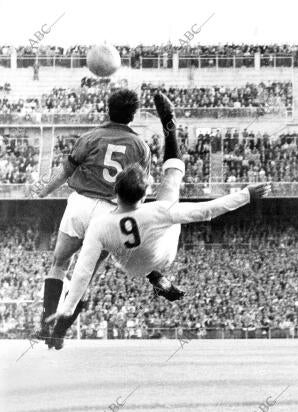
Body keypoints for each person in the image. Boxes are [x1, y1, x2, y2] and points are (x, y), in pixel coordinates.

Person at [47, 93, 271, 347]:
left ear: (116, 193)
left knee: (97, 262)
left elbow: (81, 275)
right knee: (172, 181)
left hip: (131, 266)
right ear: (144, 194)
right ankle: (170, 129)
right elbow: (209, 210)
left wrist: (62, 320)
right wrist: (246, 194)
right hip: (163, 254)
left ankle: (153, 278)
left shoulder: (100, 226)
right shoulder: (158, 211)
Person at [35, 89, 151, 347]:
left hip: (81, 204)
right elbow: (139, 192)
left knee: (59, 263)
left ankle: (45, 322)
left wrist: (42, 190)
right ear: (132, 116)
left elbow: (64, 171)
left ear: (108, 109)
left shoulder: (90, 137)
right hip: (110, 212)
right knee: (85, 276)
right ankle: (60, 332)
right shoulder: (140, 147)